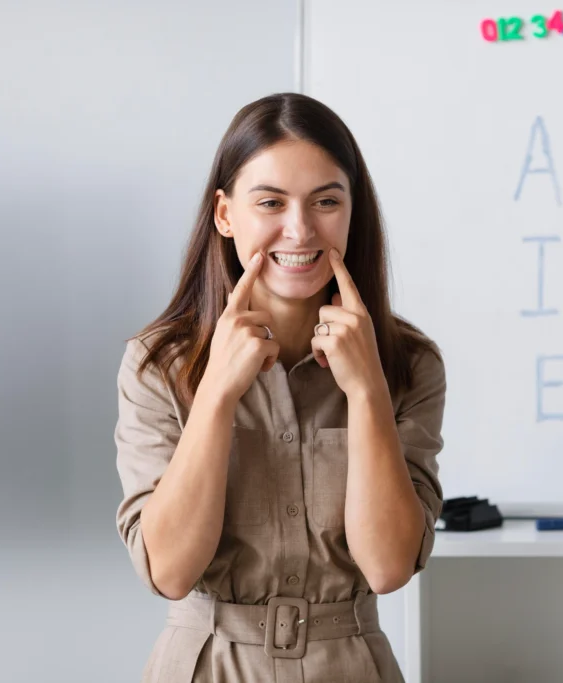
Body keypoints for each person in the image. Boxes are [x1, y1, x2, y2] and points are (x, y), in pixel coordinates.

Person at [113, 92, 446, 683]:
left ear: (353, 212)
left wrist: (367, 390)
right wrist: (216, 394)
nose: (300, 229)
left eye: (326, 201)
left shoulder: (408, 362)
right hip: (206, 664)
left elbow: (390, 566)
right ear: (224, 214)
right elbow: (168, 570)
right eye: (271, 202)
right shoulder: (157, 363)